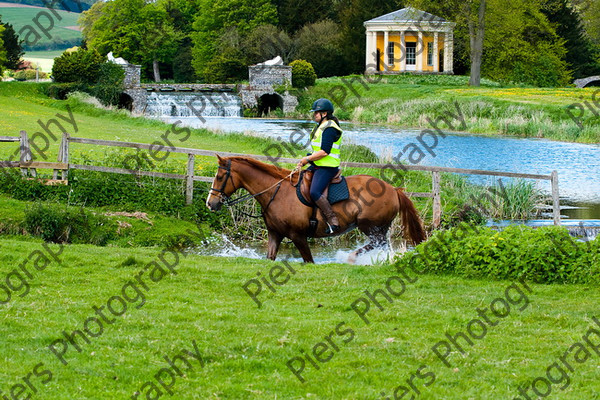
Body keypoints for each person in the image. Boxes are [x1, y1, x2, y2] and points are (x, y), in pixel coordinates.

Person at [296, 98, 343, 234]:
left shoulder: (330, 128)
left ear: (325, 113)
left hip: (327, 167)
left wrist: (307, 158)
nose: (314, 115)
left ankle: (333, 220)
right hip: (318, 165)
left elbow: (324, 152)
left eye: (316, 113)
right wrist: (309, 158)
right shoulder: (320, 127)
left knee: (314, 192)